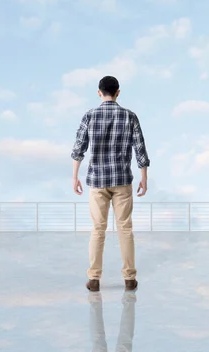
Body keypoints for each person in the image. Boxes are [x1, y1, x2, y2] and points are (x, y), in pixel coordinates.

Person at [71, 75, 151, 292]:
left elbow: (78, 149)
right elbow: (140, 150)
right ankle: (129, 279)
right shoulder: (130, 116)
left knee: (98, 229)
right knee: (125, 228)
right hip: (122, 180)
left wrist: (75, 176)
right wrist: (144, 177)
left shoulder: (89, 116)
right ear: (118, 93)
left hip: (97, 181)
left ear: (99, 92)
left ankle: (94, 278)